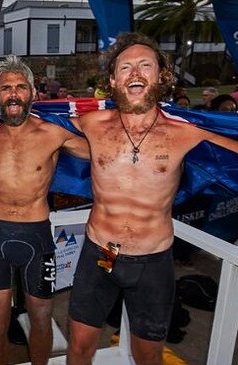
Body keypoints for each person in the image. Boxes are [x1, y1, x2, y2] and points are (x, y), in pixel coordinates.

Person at [66, 32, 238, 365]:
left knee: (148, 355)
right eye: (126, 67)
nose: (135, 73)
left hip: (152, 260)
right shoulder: (92, 124)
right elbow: (35, 133)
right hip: (105, 254)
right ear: (113, 81)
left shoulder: (186, 132)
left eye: (145, 65)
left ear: (161, 76)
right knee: (80, 346)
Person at [0, 55, 89, 365]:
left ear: (33, 93)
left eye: (20, 87)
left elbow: (105, 152)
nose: (13, 94)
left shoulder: (53, 133)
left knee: (41, 317)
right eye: (6, 88)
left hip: (36, 236)